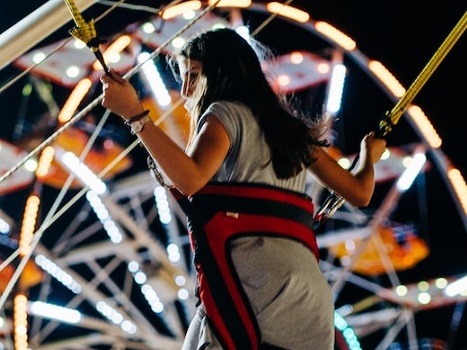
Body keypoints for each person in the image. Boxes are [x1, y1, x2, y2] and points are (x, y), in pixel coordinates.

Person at [100, 27, 386, 350]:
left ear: (221, 72)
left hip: (253, 291)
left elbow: (191, 178)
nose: (184, 90)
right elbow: (361, 192)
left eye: (192, 75)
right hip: (312, 309)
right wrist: (368, 157)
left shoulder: (223, 113)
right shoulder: (290, 130)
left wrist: (135, 115)